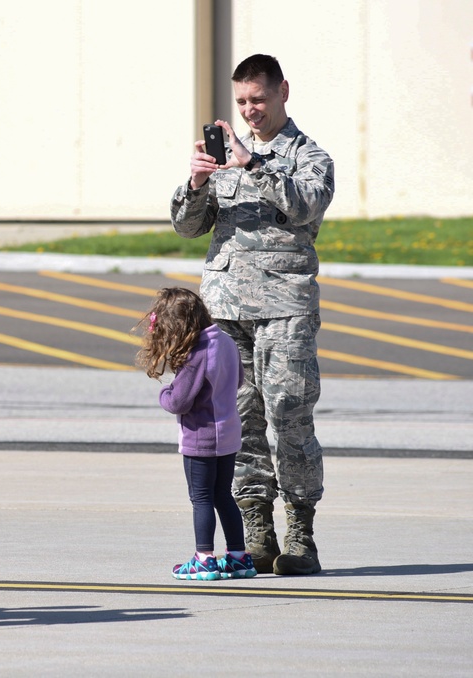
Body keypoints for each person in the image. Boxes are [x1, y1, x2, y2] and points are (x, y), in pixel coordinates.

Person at [170, 54, 335, 575]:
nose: (250, 111)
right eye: (241, 102)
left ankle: (301, 533)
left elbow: (307, 204)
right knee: (237, 420)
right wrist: (195, 185)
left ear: (283, 91)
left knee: (288, 411)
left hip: (283, 305)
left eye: (258, 99)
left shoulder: (309, 156)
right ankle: (255, 531)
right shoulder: (227, 155)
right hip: (225, 309)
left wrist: (254, 165)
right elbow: (188, 227)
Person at [135, 287, 255, 581]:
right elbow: (239, 379)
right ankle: (238, 557)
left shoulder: (196, 354)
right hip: (228, 433)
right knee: (223, 495)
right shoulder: (225, 341)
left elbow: (179, 401)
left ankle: (204, 558)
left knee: (200, 498)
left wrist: (165, 392)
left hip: (201, 437)